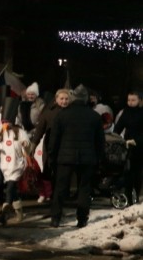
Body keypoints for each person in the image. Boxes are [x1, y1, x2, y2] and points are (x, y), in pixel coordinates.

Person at [48, 85, 105, 227]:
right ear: (86, 99)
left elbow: (54, 139)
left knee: (60, 188)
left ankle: (56, 218)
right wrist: (100, 159)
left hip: (65, 157)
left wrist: (51, 157)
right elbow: (100, 141)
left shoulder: (62, 115)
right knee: (84, 189)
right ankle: (82, 219)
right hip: (87, 158)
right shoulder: (95, 116)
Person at [0, 97, 29, 225]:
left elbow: (26, 143)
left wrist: (25, 143)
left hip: (17, 165)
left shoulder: (20, 132)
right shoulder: (1, 134)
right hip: (5, 166)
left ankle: (4, 214)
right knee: (13, 190)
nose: (5, 125)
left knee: (10, 188)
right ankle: (19, 212)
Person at [31, 88, 71, 204]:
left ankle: (63, 195)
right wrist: (33, 146)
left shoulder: (72, 112)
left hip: (67, 147)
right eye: (62, 99)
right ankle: (53, 194)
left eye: (66, 99)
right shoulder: (48, 112)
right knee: (51, 171)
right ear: (56, 99)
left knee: (65, 172)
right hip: (51, 147)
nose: (64, 101)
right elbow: (39, 131)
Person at [113, 90, 143, 206]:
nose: (130, 102)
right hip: (127, 145)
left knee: (137, 172)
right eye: (128, 100)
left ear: (140, 100)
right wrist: (116, 137)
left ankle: (137, 196)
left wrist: (137, 141)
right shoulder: (126, 112)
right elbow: (118, 127)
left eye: (133, 100)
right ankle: (129, 198)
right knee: (128, 173)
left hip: (140, 146)